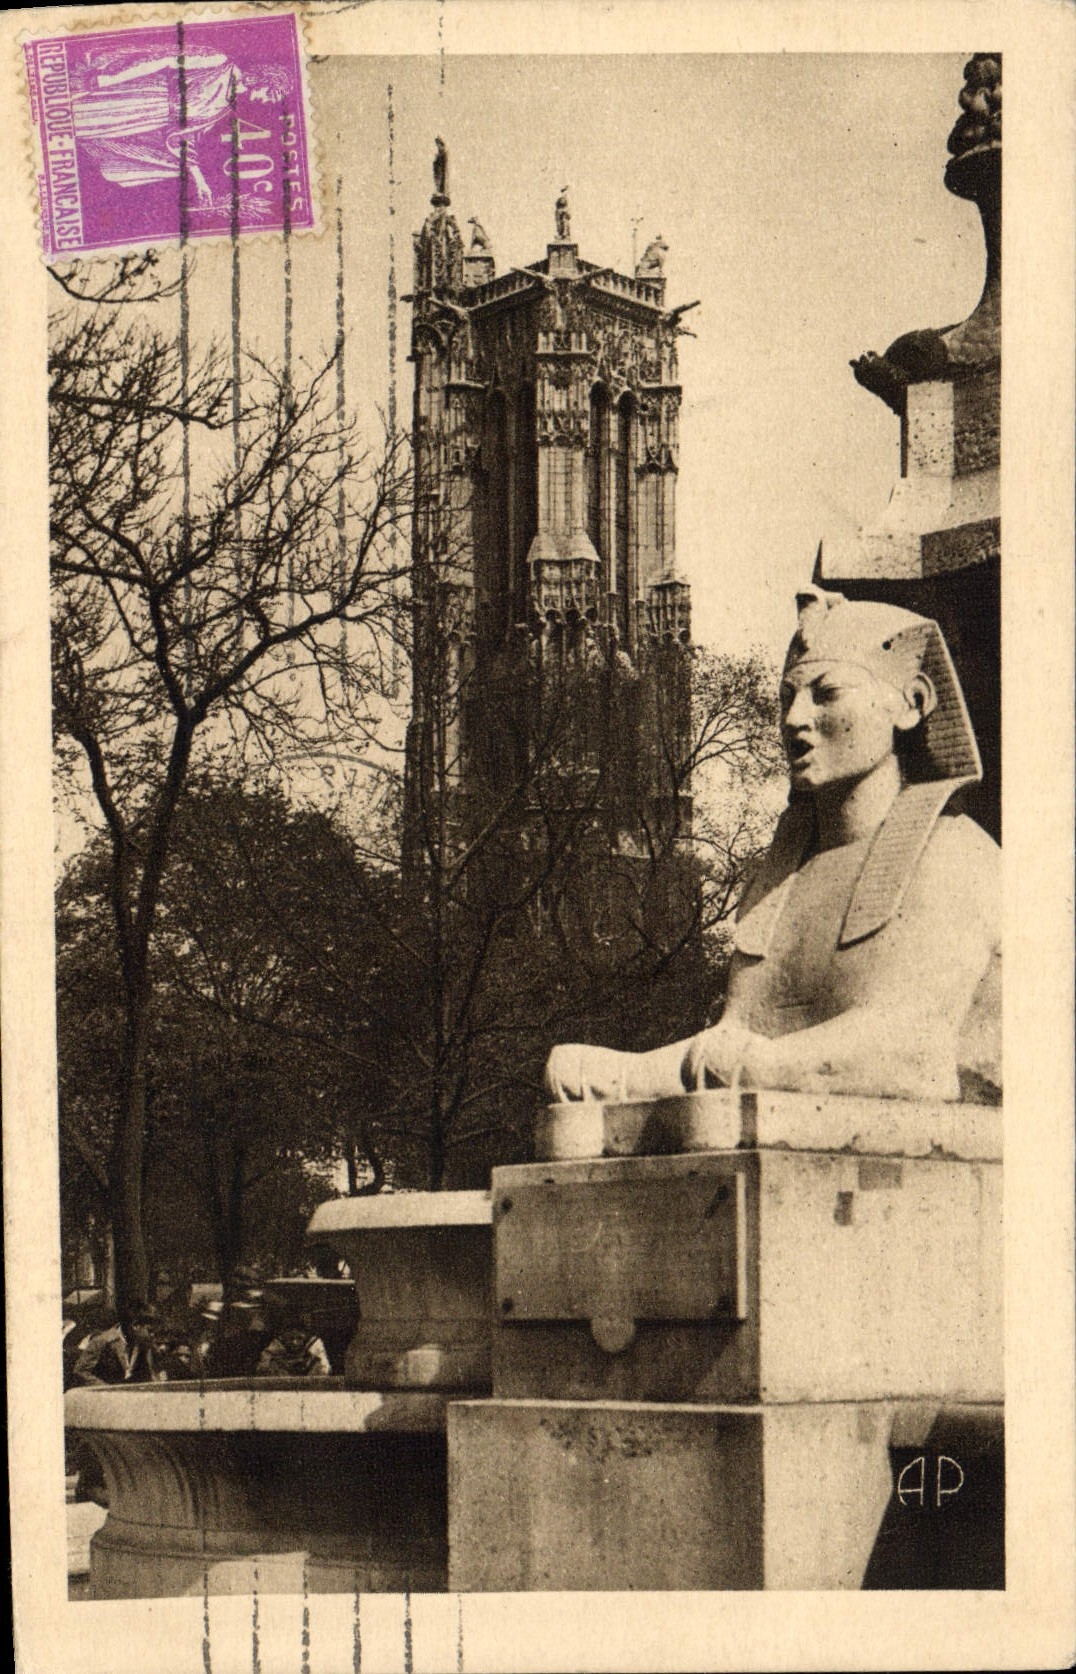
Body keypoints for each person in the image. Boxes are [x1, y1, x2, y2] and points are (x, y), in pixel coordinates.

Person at [545, 588, 1000, 1106]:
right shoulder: (779, 877)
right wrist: (629, 1079)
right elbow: (731, 1041)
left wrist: (751, 1065)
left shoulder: (954, 856)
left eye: (826, 694)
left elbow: (912, 1054)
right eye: (788, 698)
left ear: (912, 704)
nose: (793, 720)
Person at [255, 1317, 331, 1378]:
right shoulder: (278, 1343)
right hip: (285, 1377)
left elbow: (325, 1368)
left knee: (320, 1365)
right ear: (284, 1336)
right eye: (291, 1338)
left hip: (308, 1376)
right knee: (272, 1364)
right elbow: (261, 1369)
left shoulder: (313, 1343)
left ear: (305, 1335)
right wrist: (269, 1357)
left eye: (299, 1338)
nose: (295, 1342)